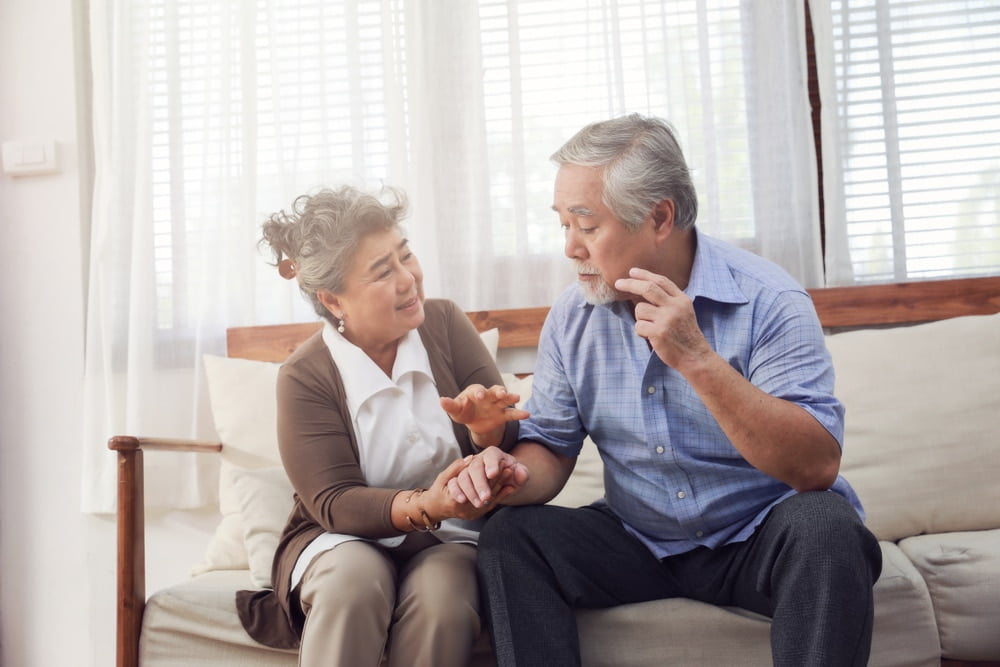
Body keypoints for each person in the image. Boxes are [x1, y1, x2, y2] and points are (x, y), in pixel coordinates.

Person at [448, 114, 883, 667]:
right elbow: (553, 447)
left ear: (658, 217)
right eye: (563, 225)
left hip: (758, 537)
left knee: (828, 528)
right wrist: (510, 474)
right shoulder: (572, 317)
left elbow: (815, 466)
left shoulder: (770, 300)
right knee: (513, 534)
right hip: (637, 539)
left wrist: (697, 358)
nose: (570, 249)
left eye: (586, 225)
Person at [235, 185, 528, 667]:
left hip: (451, 536)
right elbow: (331, 500)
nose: (407, 280)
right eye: (382, 272)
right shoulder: (305, 376)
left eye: (405, 256)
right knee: (353, 582)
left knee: (444, 599)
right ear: (333, 300)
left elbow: (506, 441)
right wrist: (426, 503)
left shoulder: (446, 323)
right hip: (340, 538)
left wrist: (486, 431)